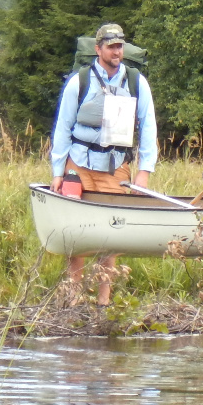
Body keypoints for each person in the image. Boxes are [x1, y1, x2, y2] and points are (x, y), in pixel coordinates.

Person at [50, 22, 157, 306]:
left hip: (115, 165)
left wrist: (144, 173)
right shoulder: (80, 81)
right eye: (110, 46)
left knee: (112, 230)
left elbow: (148, 128)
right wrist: (57, 172)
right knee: (76, 227)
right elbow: (63, 127)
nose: (116, 51)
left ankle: (103, 300)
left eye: (119, 46)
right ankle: (73, 295)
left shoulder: (136, 83)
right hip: (79, 163)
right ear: (98, 49)